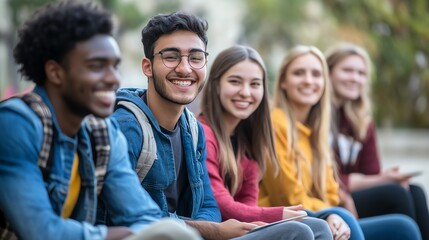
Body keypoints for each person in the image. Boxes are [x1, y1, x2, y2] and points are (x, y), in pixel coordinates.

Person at [0, 2, 202, 240]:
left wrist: (149, 231)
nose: (112, 79)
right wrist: (123, 234)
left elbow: (145, 218)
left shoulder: (103, 133)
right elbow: (42, 232)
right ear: (55, 72)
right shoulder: (17, 124)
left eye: (114, 66)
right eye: (96, 66)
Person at [112, 12, 276, 240]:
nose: (185, 68)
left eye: (196, 58)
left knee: (306, 229)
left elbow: (209, 207)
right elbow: (133, 216)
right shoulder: (126, 127)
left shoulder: (193, 129)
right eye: (171, 56)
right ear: (147, 67)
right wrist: (213, 231)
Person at [258, 45, 422, 240]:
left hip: (317, 214)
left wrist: (336, 206)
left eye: (316, 74)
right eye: (299, 73)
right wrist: (331, 212)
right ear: (283, 81)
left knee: (404, 227)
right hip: (285, 221)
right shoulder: (276, 124)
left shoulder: (315, 130)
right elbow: (289, 199)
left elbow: (330, 191)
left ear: (324, 82)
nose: (309, 80)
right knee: (348, 215)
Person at [198, 45, 334, 239]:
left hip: (240, 230)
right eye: (235, 82)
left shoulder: (249, 139)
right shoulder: (203, 133)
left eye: (255, 84)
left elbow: (248, 202)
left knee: (320, 226)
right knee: (299, 229)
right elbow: (220, 202)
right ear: (216, 85)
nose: (245, 92)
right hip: (213, 233)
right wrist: (277, 215)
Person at [325, 42, 429, 239]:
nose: (355, 78)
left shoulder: (362, 121)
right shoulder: (316, 117)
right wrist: (382, 179)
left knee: (415, 191)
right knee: (395, 194)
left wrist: (386, 178)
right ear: (328, 72)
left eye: (361, 73)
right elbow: (323, 179)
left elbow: (371, 173)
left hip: (351, 194)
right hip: (329, 197)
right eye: (347, 70)